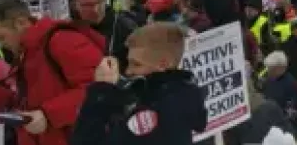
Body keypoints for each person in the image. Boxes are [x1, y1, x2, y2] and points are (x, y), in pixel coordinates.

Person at [0, 0, 106, 145]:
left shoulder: (62, 40)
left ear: (21, 23)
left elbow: (100, 90)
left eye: (2, 37)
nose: (1, 45)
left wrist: (48, 115)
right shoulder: (27, 52)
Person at [71, 23, 206, 145]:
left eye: (136, 64)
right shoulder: (180, 93)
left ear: (163, 64)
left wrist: (100, 91)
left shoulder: (157, 110)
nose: (129, 71)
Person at [70, 0, 138, 70]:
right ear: (74, 5)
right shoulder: (67, 30)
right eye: (87, 5)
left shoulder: (125, 27)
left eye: (100, 2)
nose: (96, 10)